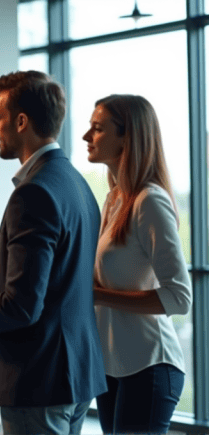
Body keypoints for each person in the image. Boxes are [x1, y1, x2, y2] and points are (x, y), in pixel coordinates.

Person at [0, 71, 107, 435]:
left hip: (39, 381)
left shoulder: (34, 194)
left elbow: (22, 305)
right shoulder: (77, 184)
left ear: (21, 121)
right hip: (76, 373)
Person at [83, 94, 191, 434]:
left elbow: (179, 298)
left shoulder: (150, 201)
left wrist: (98, 296)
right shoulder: (115, 198)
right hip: (112, 366)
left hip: (150, 367)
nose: (87, 137)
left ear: (127, 137)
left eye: (97, 129)